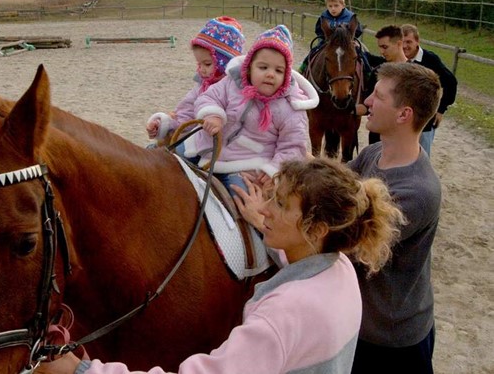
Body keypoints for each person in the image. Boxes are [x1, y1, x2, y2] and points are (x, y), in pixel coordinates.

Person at [36, 157, 405, 374]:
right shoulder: (339, 271)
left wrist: (82, 370)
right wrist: (265, 228)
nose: (263, 210)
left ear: (317, 229)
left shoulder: (285, 314)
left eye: (279, 205)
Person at [348, 62, 442, 374]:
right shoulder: (375, 154)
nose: (368, 102)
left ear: (404, 115)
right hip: (363, 322)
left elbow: (348, 244)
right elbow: (335, 183)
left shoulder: (417, 192)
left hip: (390, 339)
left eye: (378, 96)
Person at [183, 25, 318, 193]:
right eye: (263, 67)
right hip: (207, 146)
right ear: (249, 67)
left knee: (242, 198)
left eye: (278, 70)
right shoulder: (231, 83)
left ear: (286, 75)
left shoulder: (292, 108)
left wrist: (273, 170)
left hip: (248, 165)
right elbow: (208, 97)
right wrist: (213, 114)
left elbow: (292, 147)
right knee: (170, 161)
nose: (270, 74)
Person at [146, 16, 245, 145]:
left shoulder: (236, 89)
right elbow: (187, 109)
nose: (202, 70)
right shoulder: (202, 85)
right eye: (199, 64)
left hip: (221, 144)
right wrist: (166, 124)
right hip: (199, 137)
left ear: (224, 63)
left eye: (207, 64)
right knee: (155, 148)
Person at [401, 23, 458, 155]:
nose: (405, 46)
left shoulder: (429, 59)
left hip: (425, 120)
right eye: (402, 42)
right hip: (403, 118)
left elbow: (451, 82)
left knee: (422, 155)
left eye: (409, 42)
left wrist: (441, 110)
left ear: (417, 42)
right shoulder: (399, 60)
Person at [357, 25, 408, 144]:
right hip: (378, 137)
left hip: (402, 136)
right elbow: (367, 106)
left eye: (385, 47)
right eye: (380, 47)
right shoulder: (378, 72)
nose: (381, 52)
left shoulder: (414, 75)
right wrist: (348, 108)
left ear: (399, 44)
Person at [299, 0, 365, 73]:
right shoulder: (324, 17)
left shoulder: (350, 17)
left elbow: (358, 30)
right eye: (330, 6)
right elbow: (319, 30)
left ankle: (368, 72)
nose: (333, 9)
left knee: (361, 54)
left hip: (347, 43)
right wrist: (325, 38)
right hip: (328, 42)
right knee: (314, 51)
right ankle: (303, 67)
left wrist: (351, 39)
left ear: (343, 5)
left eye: (336, 6)